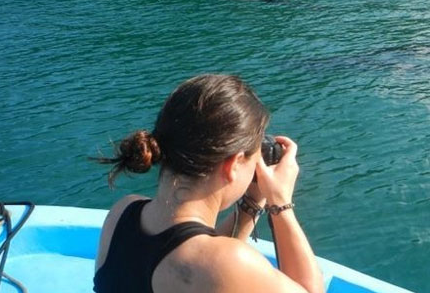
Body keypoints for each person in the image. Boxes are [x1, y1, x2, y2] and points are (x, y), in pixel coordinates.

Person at [93, 74, 324, 293]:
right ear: (233, 164)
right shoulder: (228, 262)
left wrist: (252, 201)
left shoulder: (121, 213)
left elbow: (198, 255)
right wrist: (280, 202)